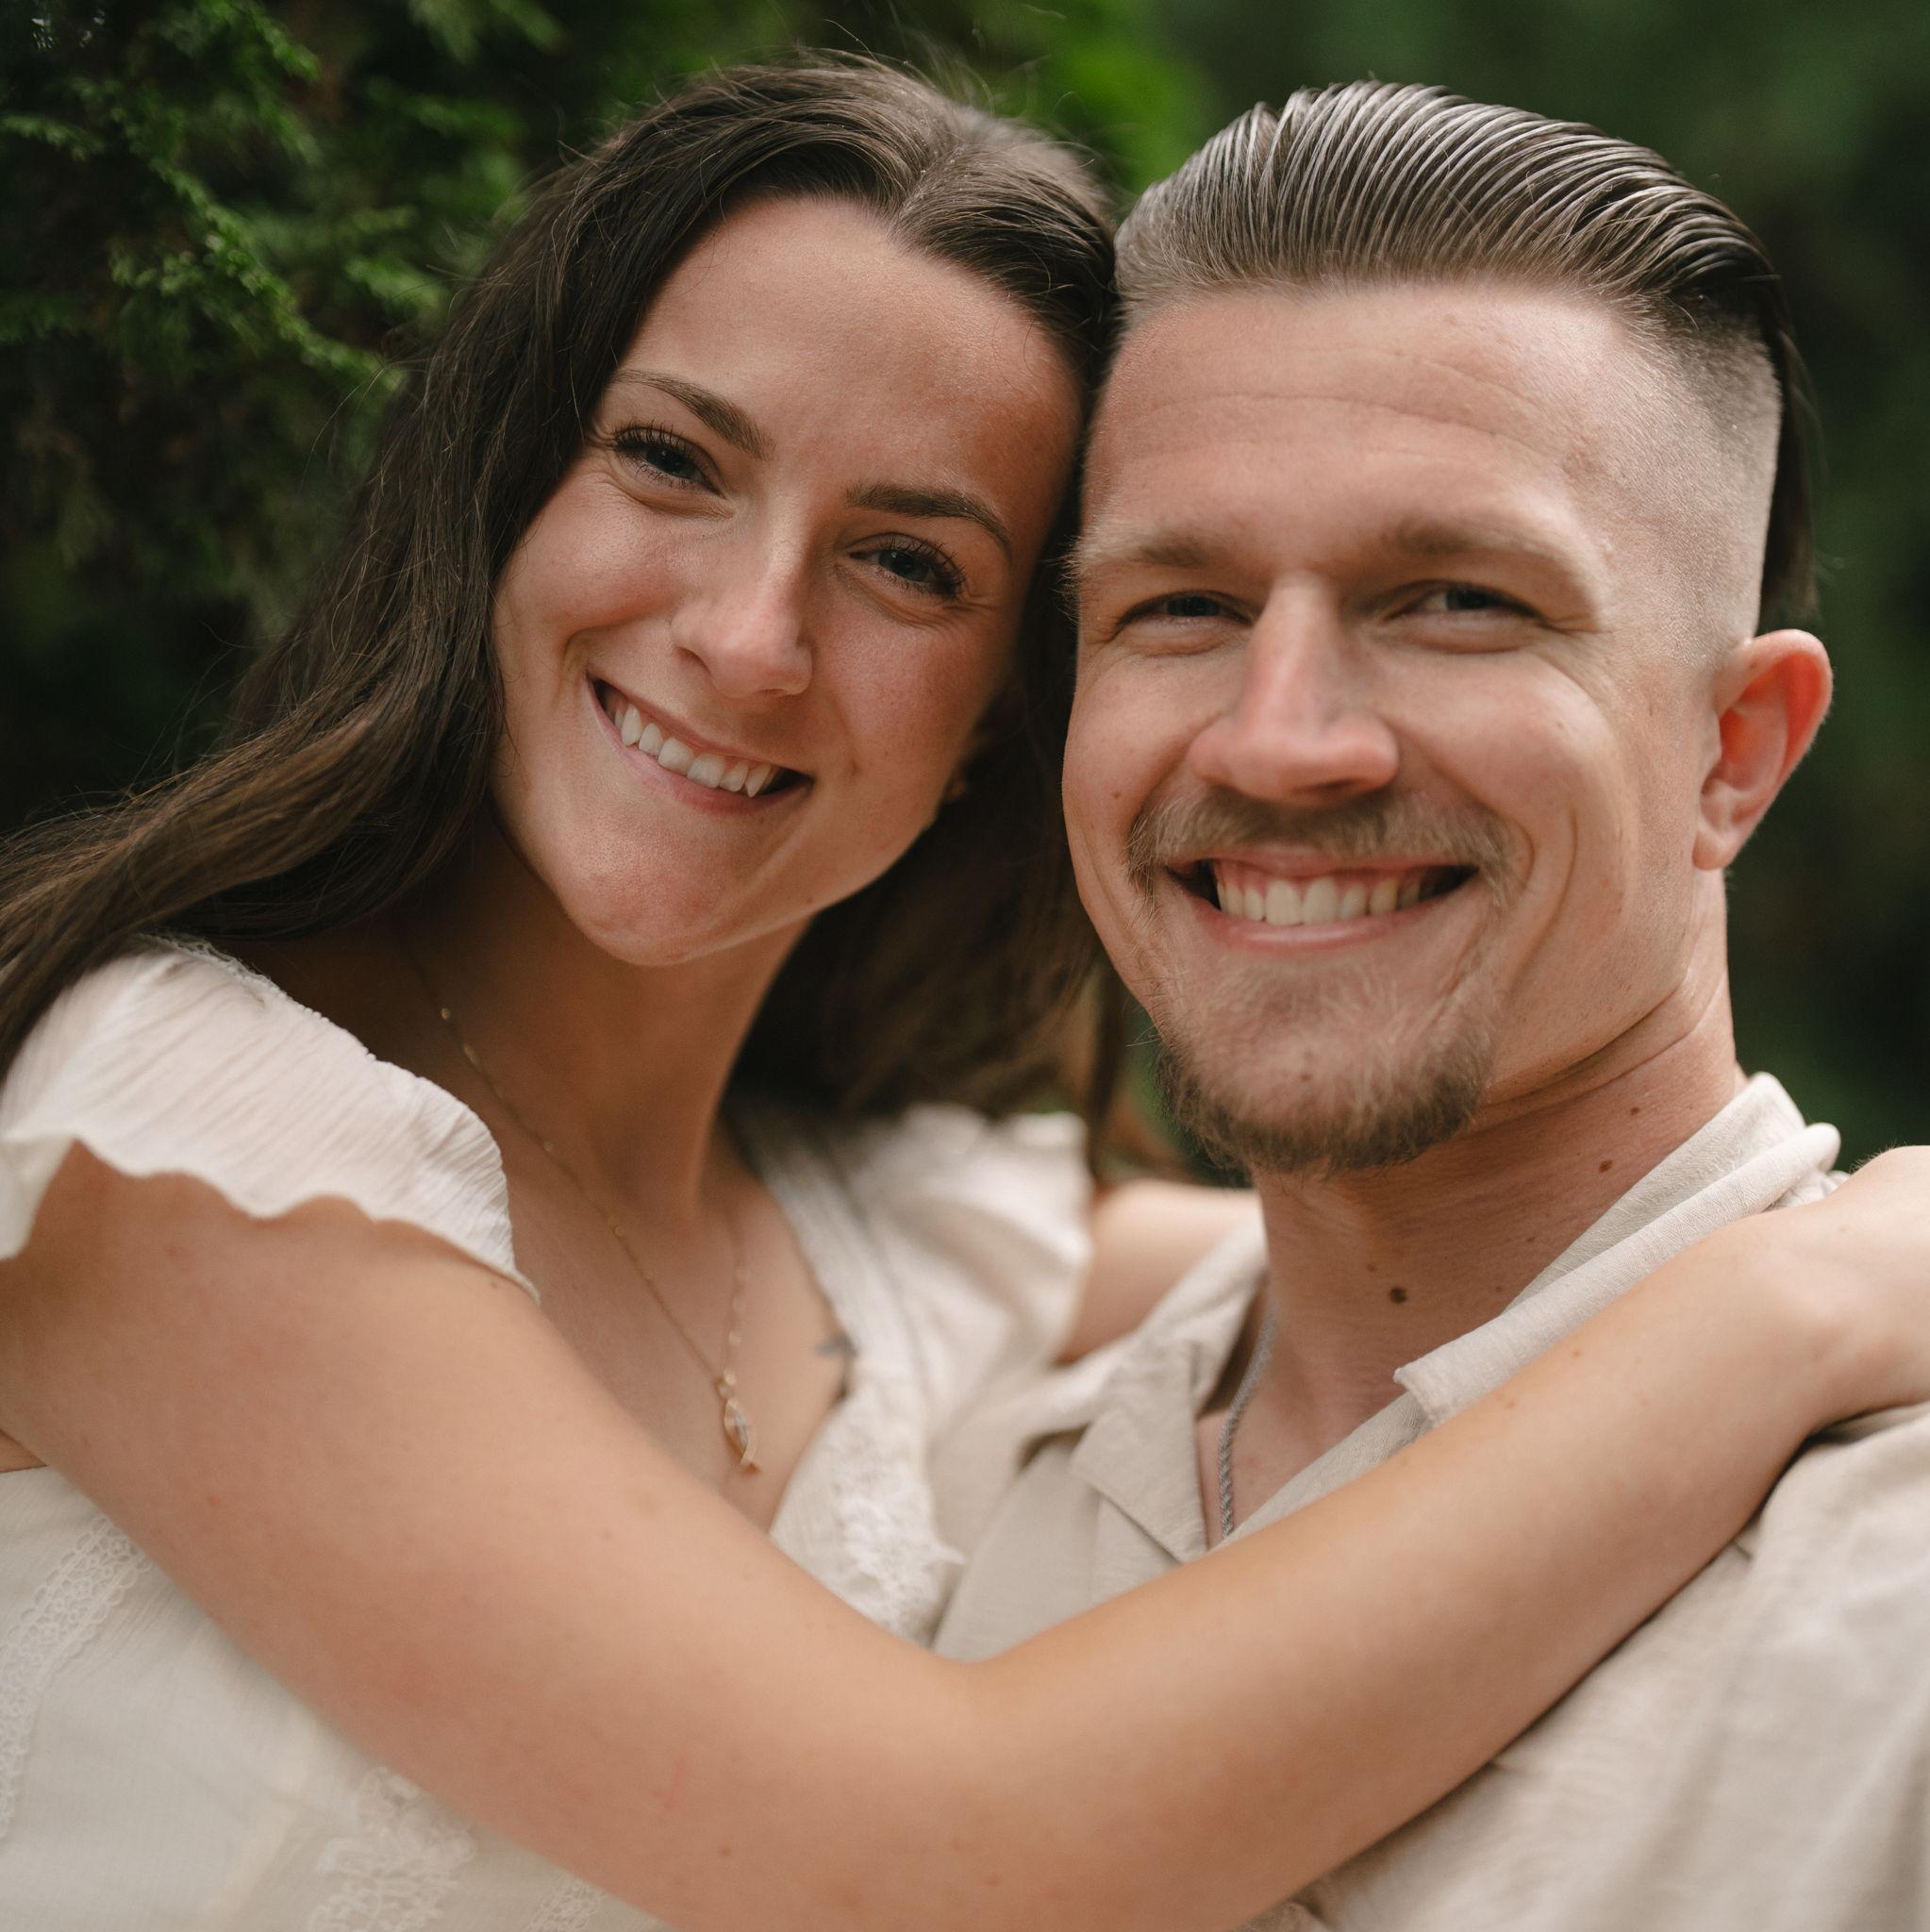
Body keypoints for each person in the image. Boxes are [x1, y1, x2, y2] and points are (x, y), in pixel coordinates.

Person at [0, 57, 1922, 1932]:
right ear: (496, 491)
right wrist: (1781, 1307)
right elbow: (943, 1849)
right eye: (668, 459)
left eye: (910, 561)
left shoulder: (909, 1252)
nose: (747, 636)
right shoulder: (186, 1141)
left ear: (1003, 709)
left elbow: (1389, 1251)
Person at [937, 78, 1930, 1931]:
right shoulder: (956, 1484)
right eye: (1180, 606)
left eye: (1456, 600)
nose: (1277, 742)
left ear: (1733, 750)